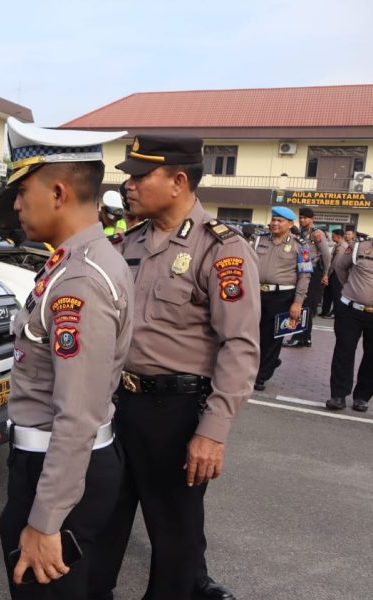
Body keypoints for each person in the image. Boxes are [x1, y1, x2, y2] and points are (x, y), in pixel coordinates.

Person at [88, 134, 260, 600]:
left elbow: (240, 346)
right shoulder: (128, 241)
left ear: (179, 180)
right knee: (100, 517)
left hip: (175, 413)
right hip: (116, 405)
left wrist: (214, 431)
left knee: (174, 538)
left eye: (141, 176)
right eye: (128, 175)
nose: (129, 185)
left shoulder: (220, 248)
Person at [0, 120, 132, 599]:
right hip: (62, 462)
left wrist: (46, 519)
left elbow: (76, 415)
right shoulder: (76, 262)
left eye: (22, 189)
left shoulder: (80, 281)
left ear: (57, 192)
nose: (15, 203)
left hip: (58, 468)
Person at [250, 206, 311, 390]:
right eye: (273, 219)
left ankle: (261, 375)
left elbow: (305, 275)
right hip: (256, 293)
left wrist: (298, 302)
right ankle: (255, 366)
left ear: (290, 224)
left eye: (280, 221)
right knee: (252, 334)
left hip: (282, 296)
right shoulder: (259, 240)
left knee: (272, 338)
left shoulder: (301, 246)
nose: (275, 223)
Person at [327, 230, 373, 412]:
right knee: (344, 352)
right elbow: (340, 267)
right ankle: (338, 395)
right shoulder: (359, 247)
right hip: (350, 310)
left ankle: (362, 396)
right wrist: (351, 289)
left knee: (372, 357)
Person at [285, 208, 331, 347]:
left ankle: (299, 337)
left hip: (313, 272)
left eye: (305, 218)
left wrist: (325, 274)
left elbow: (326, 255)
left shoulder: (317, 233)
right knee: (308, 306)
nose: (302, 220)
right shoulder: (301, 233)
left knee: (305, 304)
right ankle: (307, 337)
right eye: (301, 217)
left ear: (312, 219)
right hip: (302, 270)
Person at [322, 228, 345, 317]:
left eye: (333, 236)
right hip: (333, 273)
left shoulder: (342, 246)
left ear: (338, 236)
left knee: (336, 294)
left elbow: (335, 262)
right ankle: (325, 311)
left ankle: (335, 312)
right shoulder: (337, 245)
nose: (331, 237)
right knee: (328, 293)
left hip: (336, 273)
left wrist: (327, 274)